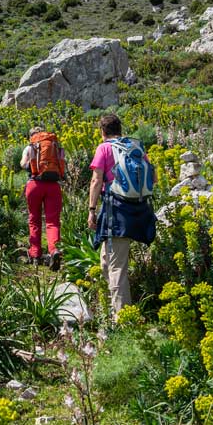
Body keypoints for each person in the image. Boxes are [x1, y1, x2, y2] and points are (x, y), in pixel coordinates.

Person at [88, 113, 157, 318]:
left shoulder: (104, 148)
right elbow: (153, 176)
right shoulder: (134, 146)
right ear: (119, 129)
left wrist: (91, 210)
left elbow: (96, 180)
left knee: (116, 266)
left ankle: (124, 319)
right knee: (105, 262)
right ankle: (117, 306)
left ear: (103, 132)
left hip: (116, 211)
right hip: (137, 209)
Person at [20, 127, 65, 269]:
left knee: (34, 219)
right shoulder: (55, 146)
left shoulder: (30, 147)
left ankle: (35, 253)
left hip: (34, 185)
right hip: (53, 186)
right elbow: (62, 164)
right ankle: (54, 250)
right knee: (53, 221)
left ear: (32, 136)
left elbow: (23, 164)